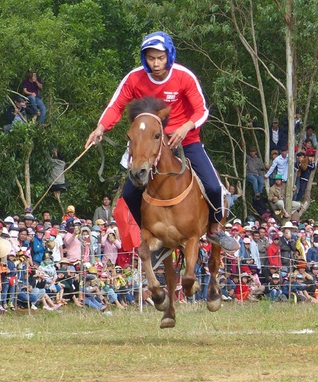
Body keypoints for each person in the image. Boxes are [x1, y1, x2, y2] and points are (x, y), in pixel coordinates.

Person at [85, 31, 238, 252]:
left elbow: (201, 110)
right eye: (151, 58)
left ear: (169, 56)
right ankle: (149, 233)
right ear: (144, 58)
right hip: (151, 144)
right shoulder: (134, 78)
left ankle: (215, 230)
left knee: (213, 187)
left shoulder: (184, 77)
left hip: (186, 141)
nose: (156, 63)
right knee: (129, 193)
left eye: (160, 58)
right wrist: (101, 127)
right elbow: (116, 105)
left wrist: (186, 127)